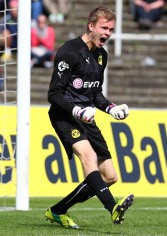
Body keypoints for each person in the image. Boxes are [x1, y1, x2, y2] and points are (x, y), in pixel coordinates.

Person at [46, 6, 134, 229]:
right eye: (104, 28)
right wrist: (76, 111)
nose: (107, 33)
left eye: (111, 29)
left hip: (88, 117)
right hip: (65, 115)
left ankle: (57, 210)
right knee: (89, 157)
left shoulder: (101, 56)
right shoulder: (69, 51)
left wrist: (111, 108)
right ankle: (112, 207)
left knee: (110, 176)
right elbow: (54, 94)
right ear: (91, 25)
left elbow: (95, 94)